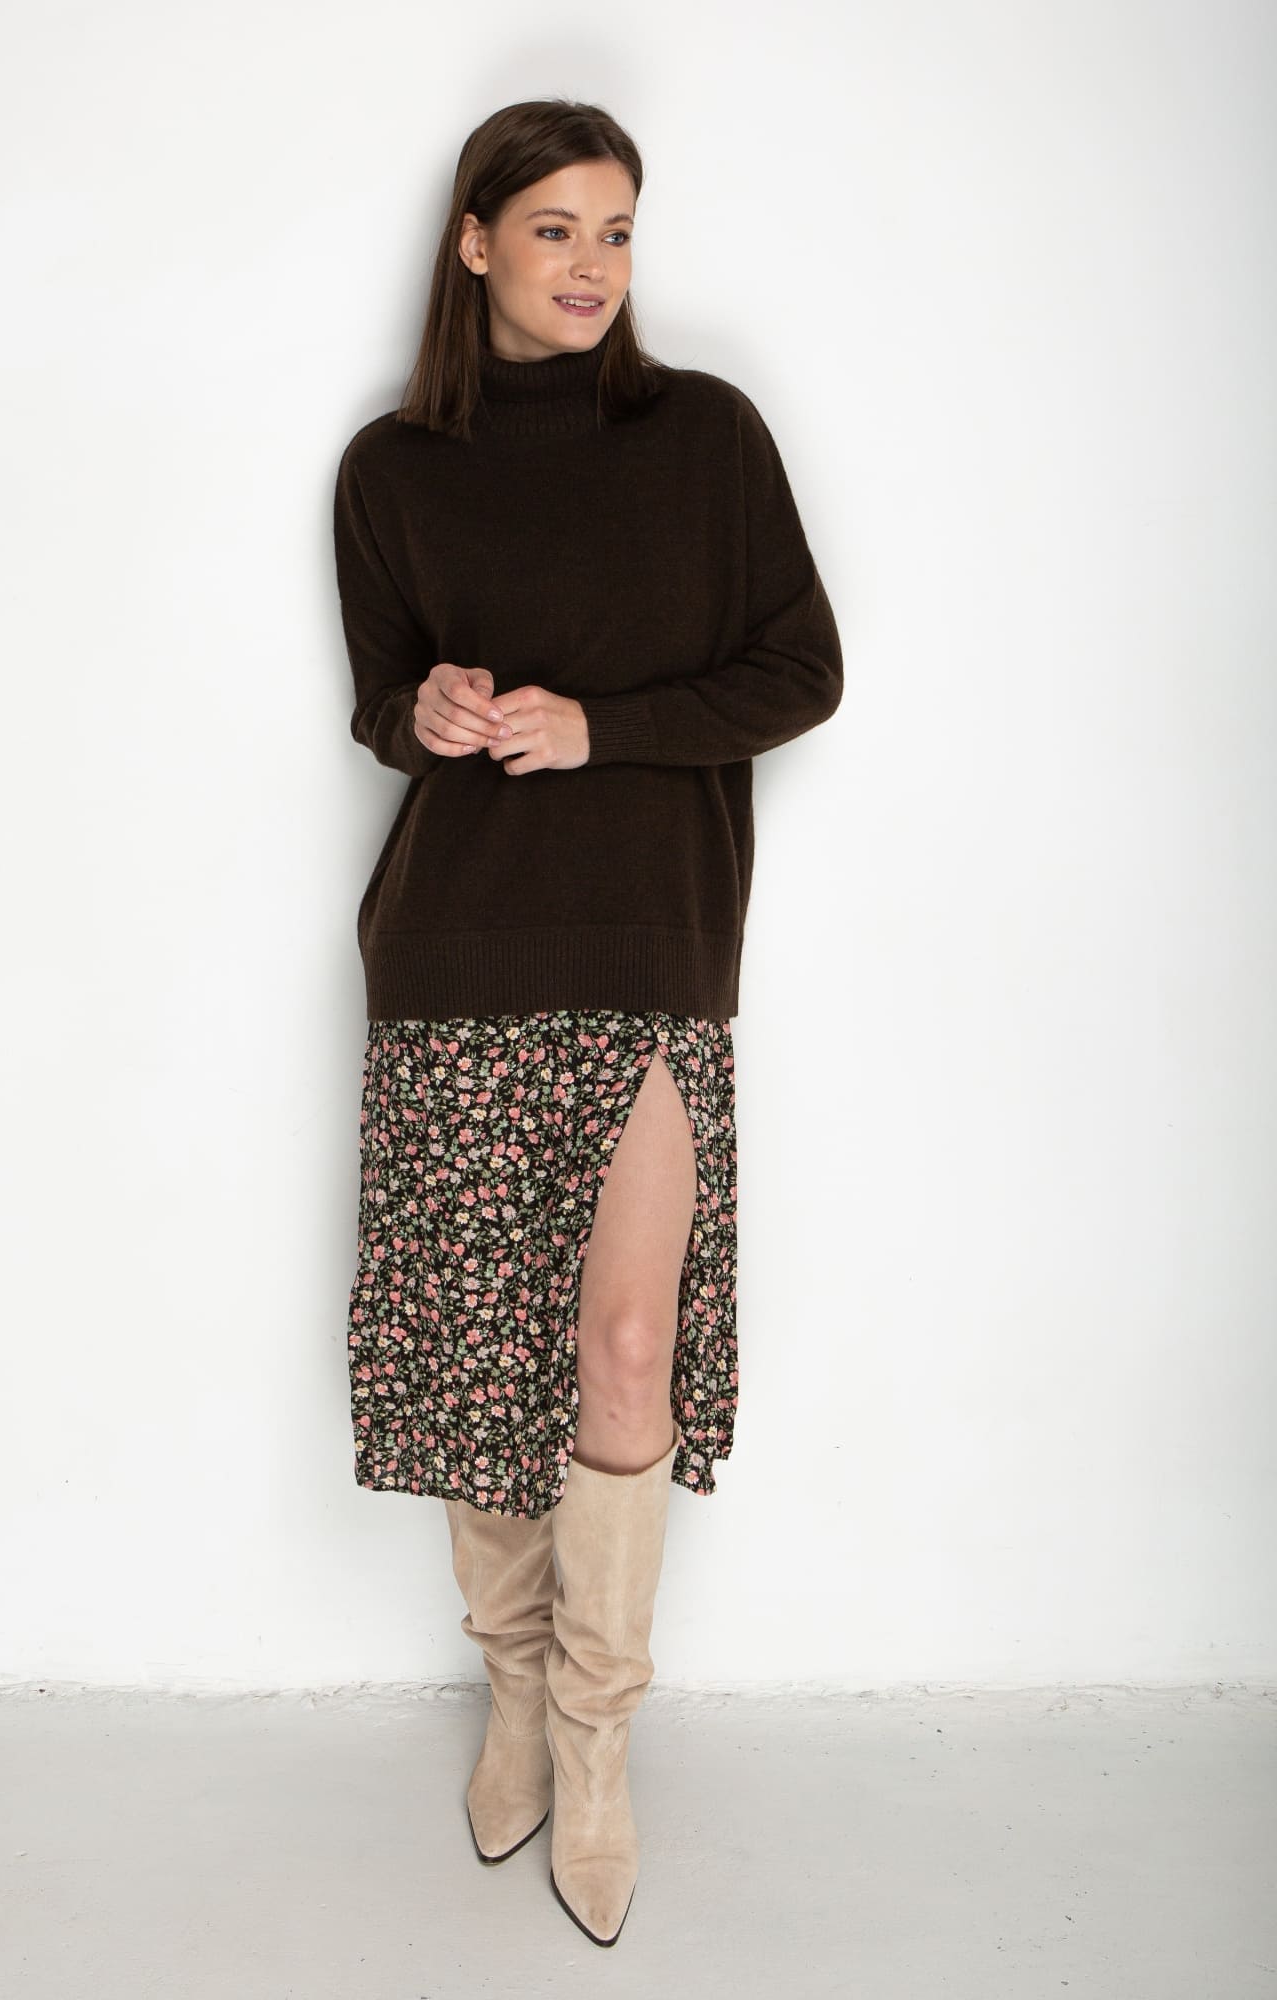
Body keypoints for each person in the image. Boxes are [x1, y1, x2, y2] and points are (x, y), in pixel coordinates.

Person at [332, 98, 843, 1947]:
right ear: (476, 243)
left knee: (625, 1349)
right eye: (555, 229)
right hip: (456, 946)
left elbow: (803, 669)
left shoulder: (705, 437)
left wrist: (598, 727)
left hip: (652, 945)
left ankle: (598, 1740)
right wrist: (433, 712)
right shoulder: (393, 468)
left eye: (617, 230)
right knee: (488, 1357)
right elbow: (377, 701)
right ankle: (513, 1691)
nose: (592, 266)